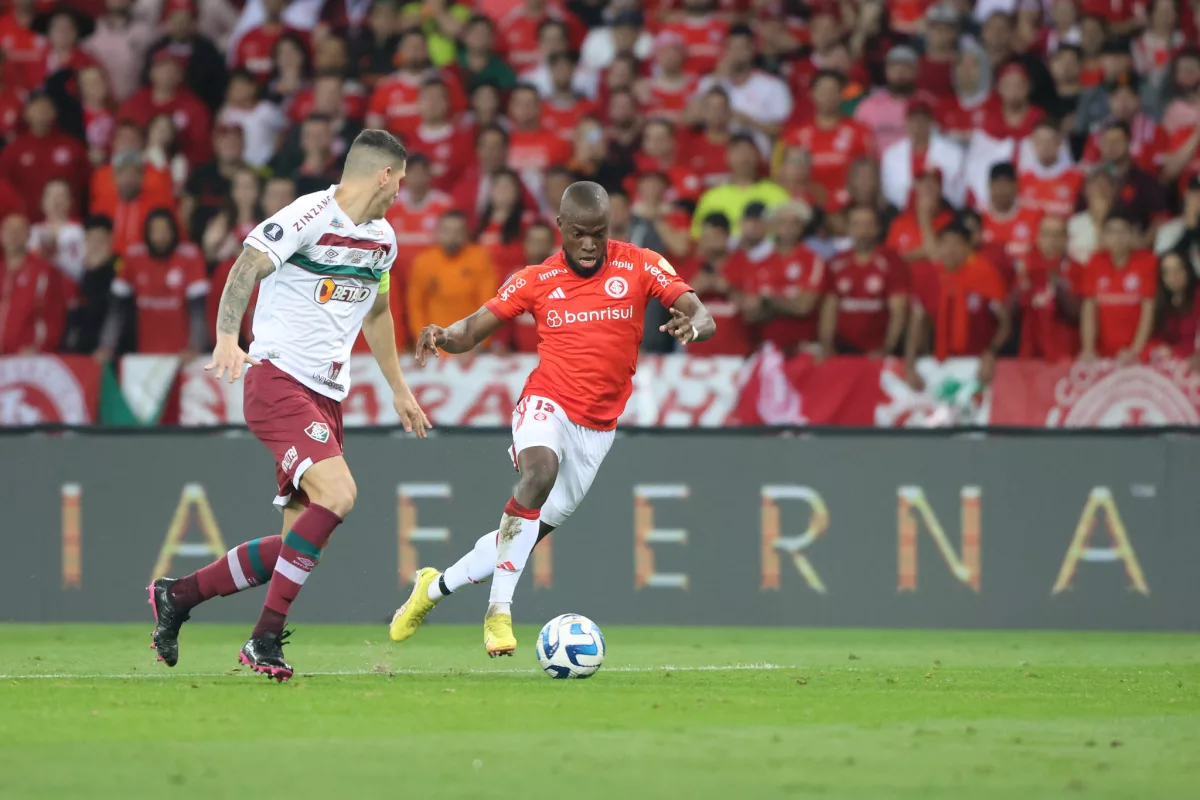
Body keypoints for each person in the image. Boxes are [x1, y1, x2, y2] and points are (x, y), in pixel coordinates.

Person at [146, 130, 430, 682]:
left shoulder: (383, 240)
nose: (401, 191)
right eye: (399, 179)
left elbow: (377, 313)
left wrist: (399, 388)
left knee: (298, 545)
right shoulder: (309, 214)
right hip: (278, 380)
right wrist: (227, 336)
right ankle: (264, 639)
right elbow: (247, 265)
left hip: (326, 397)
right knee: (340, 494)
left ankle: (177, 596)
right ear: (383, 175)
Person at [391, 181, 714, 656]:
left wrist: (695, 326)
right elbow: (473, 329)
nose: (589, 244)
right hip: (547, 402)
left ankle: (432, 589)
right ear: (560, 226)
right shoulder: (535, 279)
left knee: (517, 540)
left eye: (599, 233)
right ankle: (498, 613)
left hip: (597, 430)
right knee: (539, 473)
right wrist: (443, 335)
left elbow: (701, 313)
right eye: (579, 233)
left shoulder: (642, 264)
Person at [819, 204, 910, 357]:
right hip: (842, 350)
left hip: (878, 351)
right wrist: (827, 347)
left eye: (868, 224)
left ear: (877, 229)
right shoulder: (836, 263)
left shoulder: (892, 262)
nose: (863, 230)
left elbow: (899, 310)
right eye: (857, 224)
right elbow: (829, 308)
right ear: (849, 229)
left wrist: (887, 348)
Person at [1080, 212, 1158, 363]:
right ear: (1103, 236)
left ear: (1132, 234)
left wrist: (1135, 351)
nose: (1117, 237)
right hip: (1102, 351)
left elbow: (1148, 310)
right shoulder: (1095, 262)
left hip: (1138, 351)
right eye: (1111, 232)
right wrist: (1089, 349)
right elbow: (1089, 308)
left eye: (1123, 231)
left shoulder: (1147, 262)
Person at [0, 212, 66, 355]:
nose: (13, 235)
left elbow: (55, 317)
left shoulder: (45, 272)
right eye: (8, 230)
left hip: (27, 359)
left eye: (19, 230)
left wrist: (40, 348)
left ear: (28, 235)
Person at [1019, 214, 1082, 362]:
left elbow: (1077, 314)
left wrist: (1058, 284)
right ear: (1038, 238)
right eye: (1046, 234)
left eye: (1057, 235)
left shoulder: (1077, 269)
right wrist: (1022, 285)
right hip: (1030, 356)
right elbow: (1009, 314)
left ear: (1066, 239)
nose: (1052, 240)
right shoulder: (1027, 267)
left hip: (1065, 355)